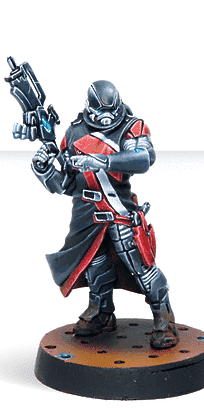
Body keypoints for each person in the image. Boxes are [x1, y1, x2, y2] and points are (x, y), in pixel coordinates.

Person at [30, 80, 178, 350]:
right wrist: (44, 169)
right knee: (94, 266)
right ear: (90, 109)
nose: (107, 118)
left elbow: (144, 159)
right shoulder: (74, 133)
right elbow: (66, 185)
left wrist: (102, 161)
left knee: (141, 267)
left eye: (112, 111)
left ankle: (163, 317)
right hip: (86, 217)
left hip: (118, 211)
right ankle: (102, 313)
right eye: (101, 113)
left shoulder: (131, 127)